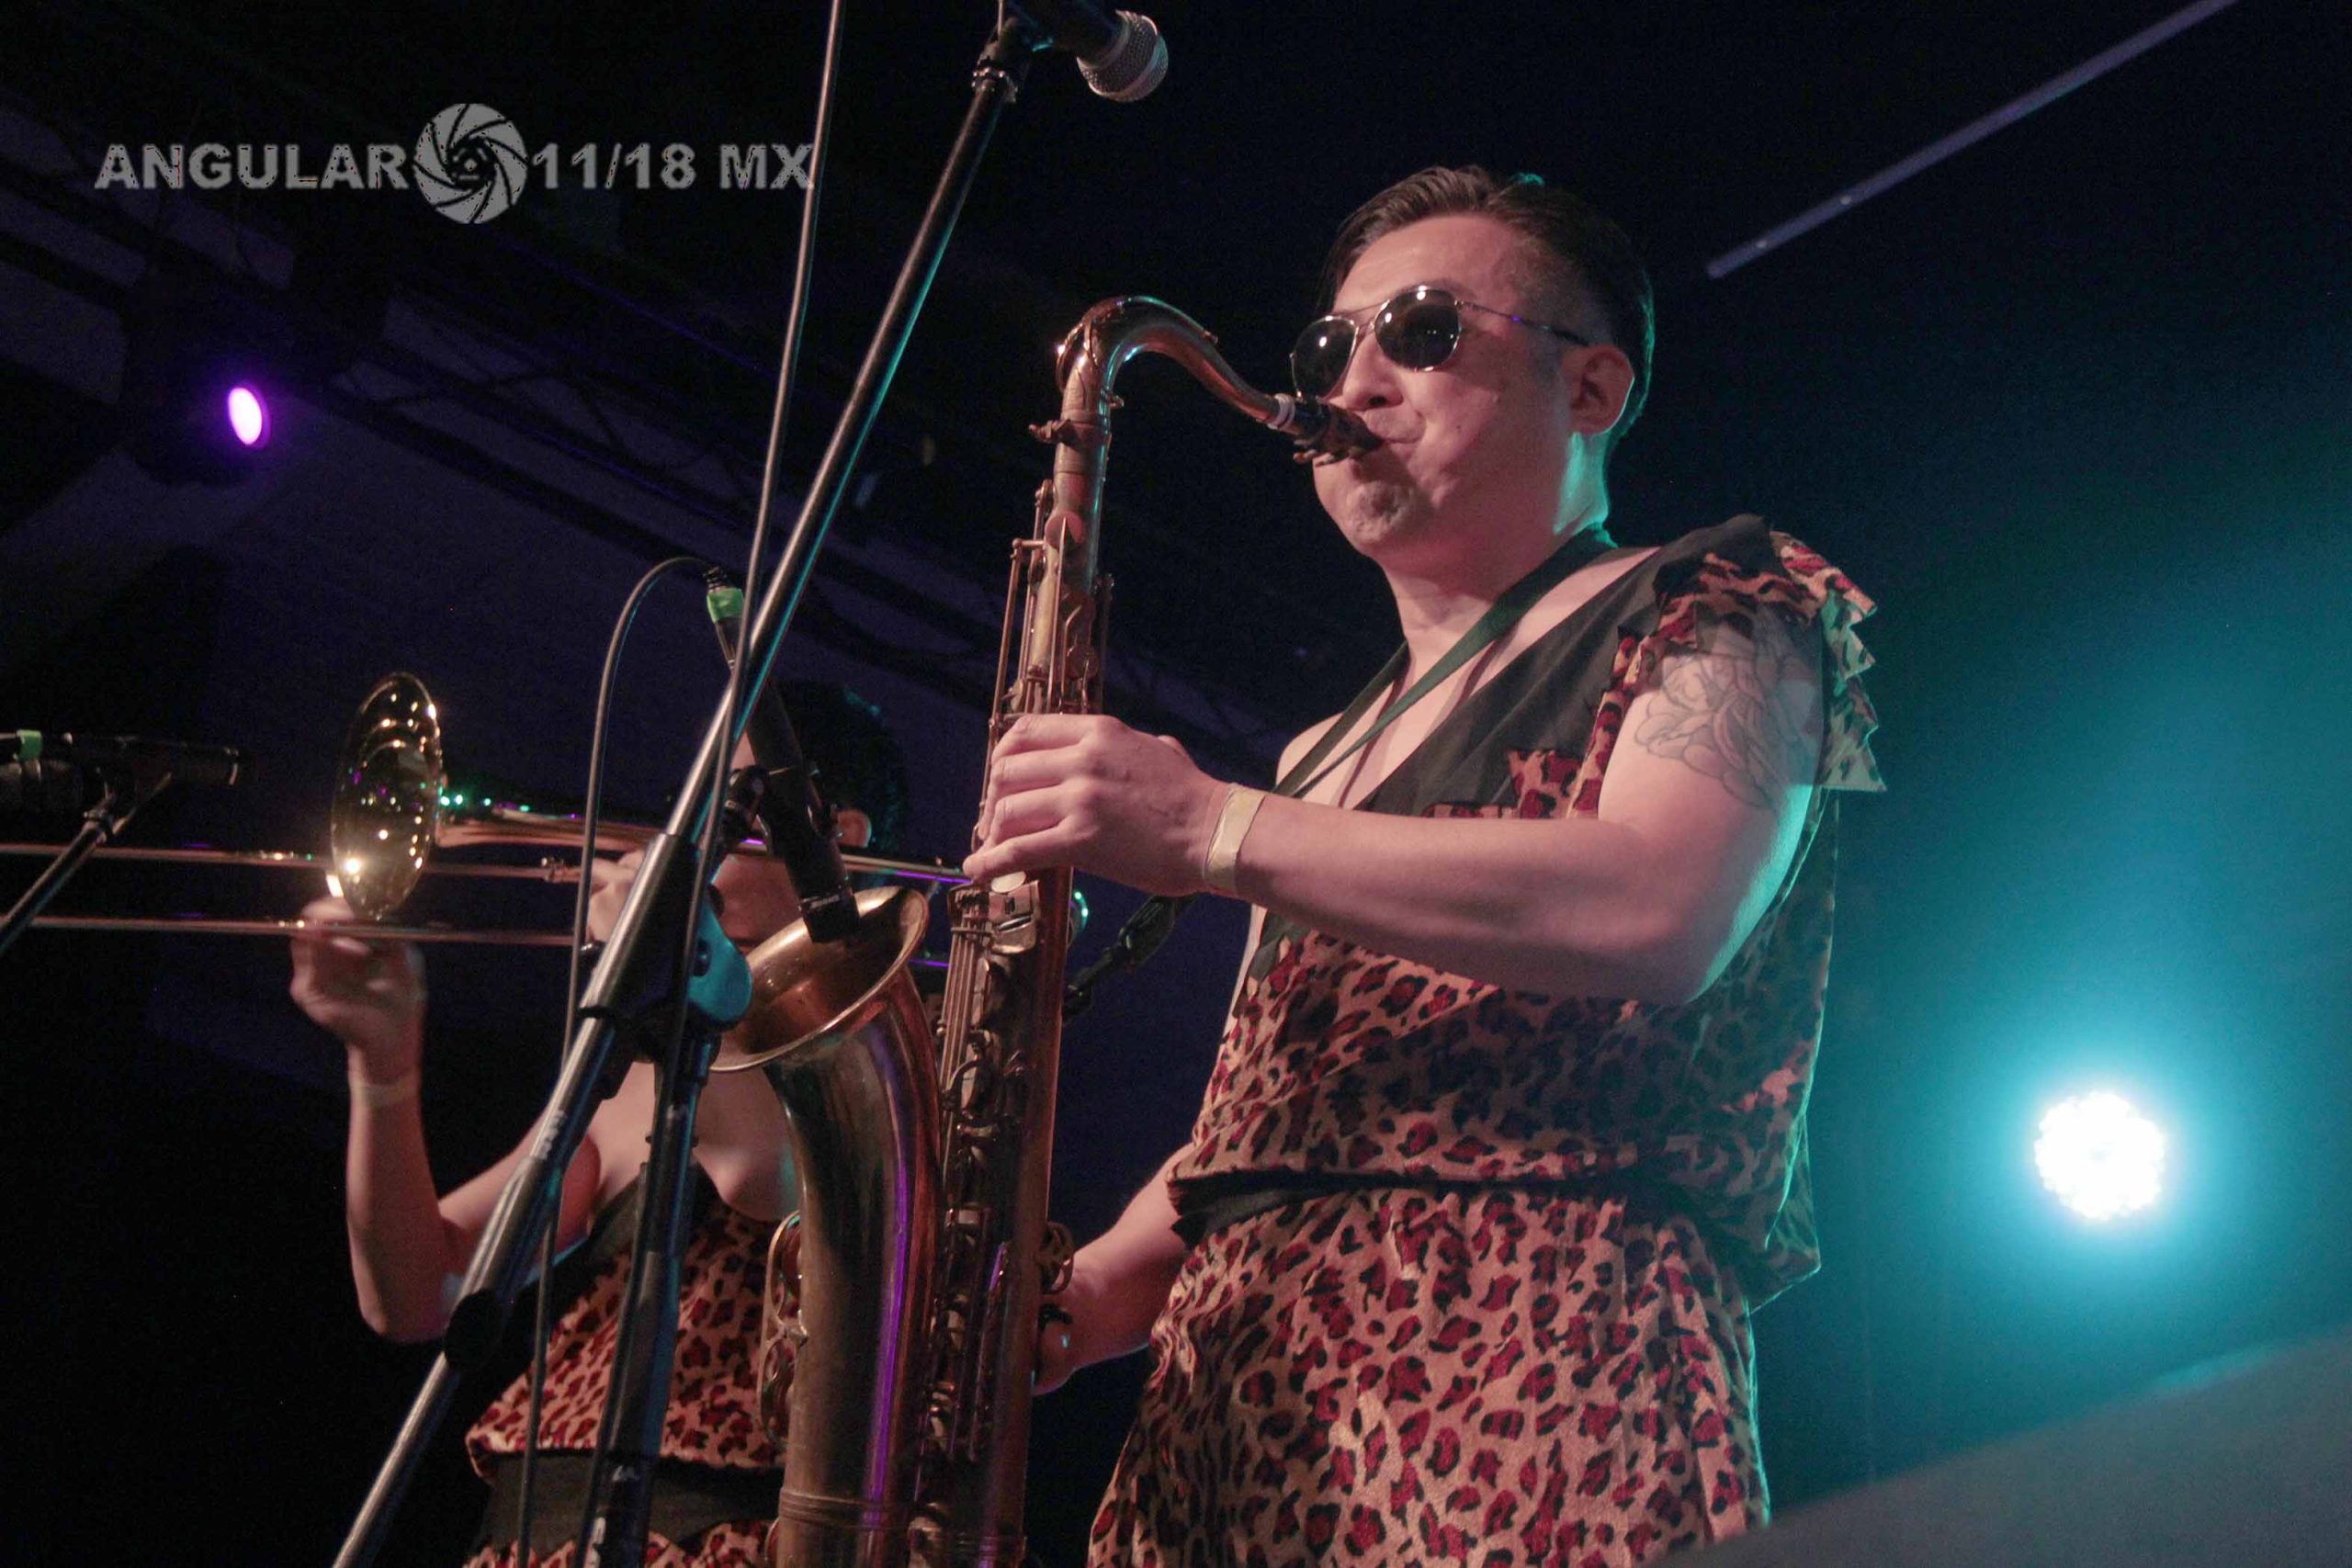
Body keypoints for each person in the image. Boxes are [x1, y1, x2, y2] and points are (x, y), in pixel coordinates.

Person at [967, 167, 1883, 1565]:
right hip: (1235, 1394)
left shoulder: (1739, 599)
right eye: (1331, 346)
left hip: (1537, 1338)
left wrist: (1213, 829)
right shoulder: (1314, 752)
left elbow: (1663, 905)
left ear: (1591, 387)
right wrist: (1090, 1290)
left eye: (1424, 330)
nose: (1354, 381)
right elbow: (1274, 1107)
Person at [292, 684, 910, 1568]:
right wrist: (382, 1062)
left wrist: (681, 967)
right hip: (534, 1533)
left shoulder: (875, 1056)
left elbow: (758, 1173)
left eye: (733, 804)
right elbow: (417, 1289)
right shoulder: (637, 1080)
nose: (691, 833)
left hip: (713, 1538)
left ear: (835, 833)